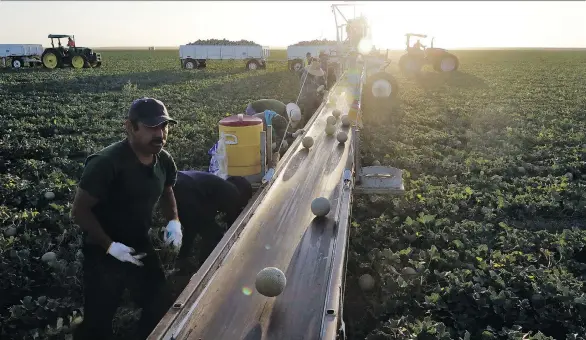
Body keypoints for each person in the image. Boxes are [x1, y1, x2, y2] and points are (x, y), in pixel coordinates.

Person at [71, 97, 182, 340]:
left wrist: (174, 221)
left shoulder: (163, 159)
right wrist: (110, 246)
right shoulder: (106, 163)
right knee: (98, 322)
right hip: (102, 252)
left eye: (164, 127)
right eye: (152, 127)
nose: (160, 134)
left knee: (160, 304)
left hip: (140, 244)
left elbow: (167, 190)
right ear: (130, 127)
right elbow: (79, 211)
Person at [173, 171, 253, 269]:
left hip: (178, 180)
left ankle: (182, 260)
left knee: (193, 226)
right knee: (214, 235)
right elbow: (234, 226)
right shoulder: (232, 192)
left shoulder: (215, 187)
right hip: (187, 188)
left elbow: (201, 218)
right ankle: (204, 269)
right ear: (243, 194)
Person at [298, 59, 326, 124]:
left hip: (312, 96)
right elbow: (308, 90)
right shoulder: (306, 77)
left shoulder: (312, 76)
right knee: (308, 113)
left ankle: (316, 120)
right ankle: (305, 126)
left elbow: (314, 84)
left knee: (319, 105)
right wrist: (317, 90)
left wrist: (320, 87)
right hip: (305, 97)